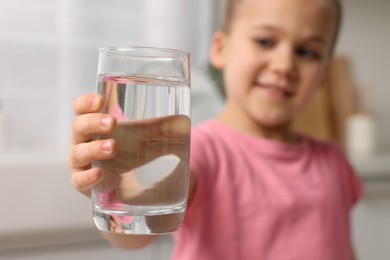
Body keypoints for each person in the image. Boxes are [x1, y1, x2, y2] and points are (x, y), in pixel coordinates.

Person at [68, 0, 363, 259]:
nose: (285, 65)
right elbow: (138, 232)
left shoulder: (334, 161)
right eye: (264, 41)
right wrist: (112, 185)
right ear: (220, 49)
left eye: (307, 52)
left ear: (324, 75)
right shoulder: (203, 151)